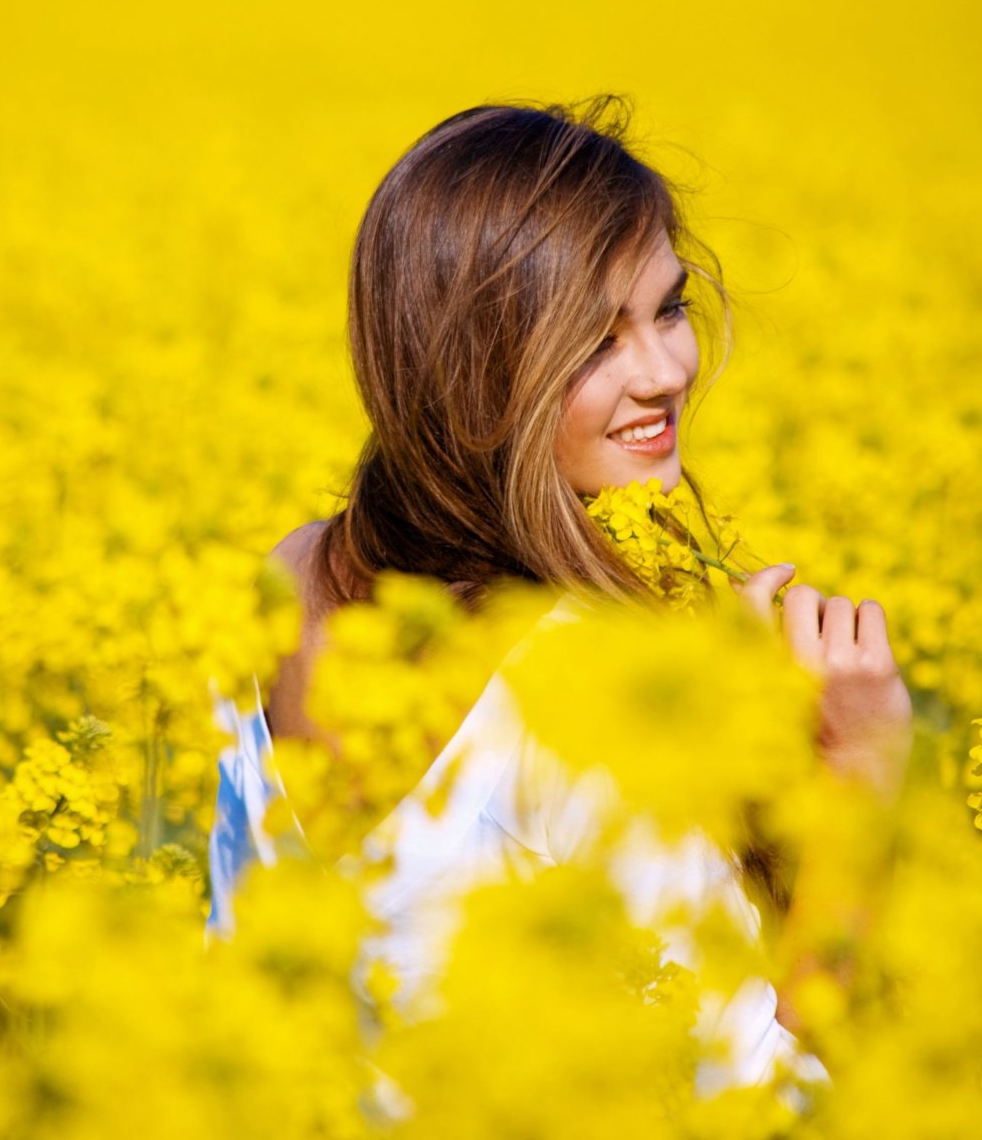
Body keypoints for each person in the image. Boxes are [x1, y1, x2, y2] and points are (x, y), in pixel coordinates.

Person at [205, 94, 914, 1120]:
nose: (668, 370)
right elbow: (767, 1108)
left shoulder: (284, 579)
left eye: (668, 308)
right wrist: (854, 780)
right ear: (477, 371)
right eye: (596, 339)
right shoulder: (579, 692)